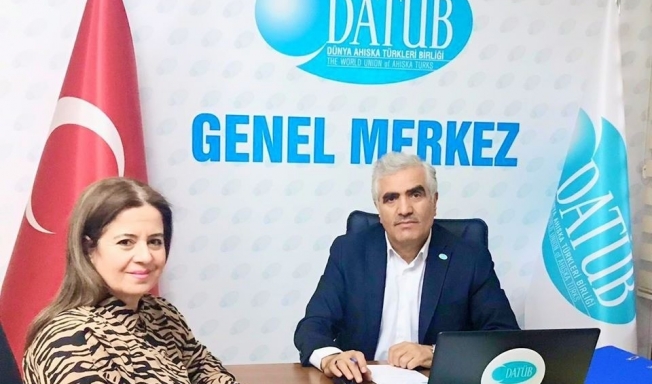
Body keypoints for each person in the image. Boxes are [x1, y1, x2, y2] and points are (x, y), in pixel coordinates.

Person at [294, 152, 519, 383]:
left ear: (434, 201)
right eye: (391, 198)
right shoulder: (348, 252)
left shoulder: (469, 258)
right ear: (378, 208)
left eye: (415, 194)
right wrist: (331, 358)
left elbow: (504, 337)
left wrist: (435, 353)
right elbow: (313, 325)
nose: (404, 209)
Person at [23, 177, 238, 384]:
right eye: (126, 242)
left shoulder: (162, 315)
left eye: (155, 241)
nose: (145, 256)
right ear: (88, 248)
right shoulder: (71, 337)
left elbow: (212, 375)